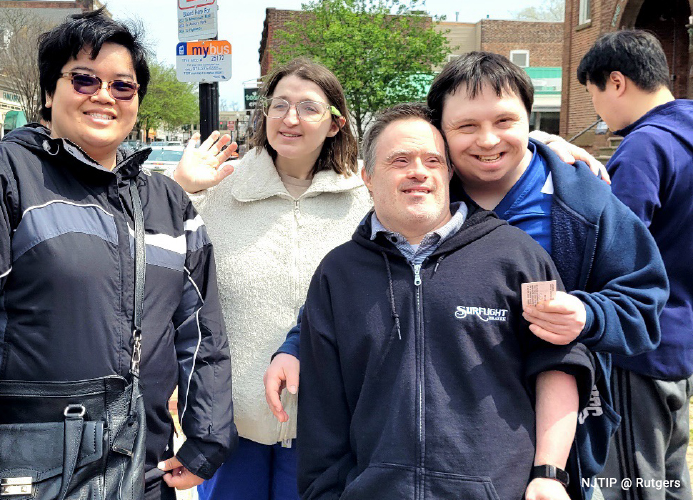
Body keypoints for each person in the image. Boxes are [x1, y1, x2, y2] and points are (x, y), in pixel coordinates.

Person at [268, 52, 669, 500]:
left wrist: (587, 315)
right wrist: (296, 343)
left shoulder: (581, 204)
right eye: (466, 127)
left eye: (506, 121)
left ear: (527, 121)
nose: (488, 140)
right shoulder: (426, 191)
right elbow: (360, 282)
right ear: (443, 134)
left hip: (545, 448)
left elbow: (645, 305)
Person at [0, 10, 236, 500]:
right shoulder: (1, 177)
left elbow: (203, 332)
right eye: (84, 79)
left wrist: (207, 438)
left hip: (141, 469)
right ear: (50, 93)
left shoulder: (168, 203)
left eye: (123, 86)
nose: (104, 95)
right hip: (25, 478)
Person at [298, 102, 595, 500]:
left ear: (449, 172)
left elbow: (557, 363)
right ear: (367, 177)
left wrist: (549, 473)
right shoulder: (338, 273)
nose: (418, 171)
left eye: (432, 160)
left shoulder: (517, 257)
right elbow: (321, 407)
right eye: (399, 160)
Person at [172, 58, 371, 500]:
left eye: (308, 107)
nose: (291, 118)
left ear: (336, 123)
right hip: (229, 418)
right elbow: (154, 267)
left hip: (327, 422)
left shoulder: (365, 203)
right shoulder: (220, 188)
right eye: (279, 104)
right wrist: (180, 188)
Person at [577, 30, 693, 500]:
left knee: (631, 481)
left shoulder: (646, 147)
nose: (598, 112)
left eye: (594, 95)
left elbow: (613, 249)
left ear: (617, 82)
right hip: (681, 338)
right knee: (671, 478)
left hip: (636, 345)